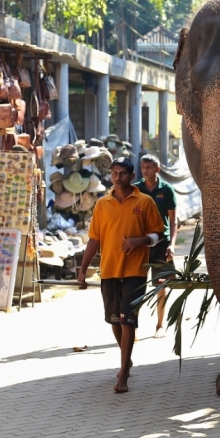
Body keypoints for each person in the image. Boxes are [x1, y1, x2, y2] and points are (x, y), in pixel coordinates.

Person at [77, 157, 165, 393]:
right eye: (114, 173)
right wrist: (83, 269)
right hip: (109, 271)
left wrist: (140, 241)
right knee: (114, 321)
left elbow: (159, 234)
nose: (117, 178)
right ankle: (126, 358)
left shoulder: (144, 202)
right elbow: (94, 239)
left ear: (132, 176)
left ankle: (123, 372)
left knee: (128, 320)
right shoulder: (102, 205)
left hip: (135, 271)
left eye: (122, 174)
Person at [135, 154, 177, 338]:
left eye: (149, 167)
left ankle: (160, 325)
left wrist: (172, 245)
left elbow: (174, 221)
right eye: (143, 167)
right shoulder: (135, 189)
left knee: (160, 286)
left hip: (161, 243)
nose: (145, 170)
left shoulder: (166, 190)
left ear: (157, 169)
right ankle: (133, 327)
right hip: (140, 244)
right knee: (135, 286)